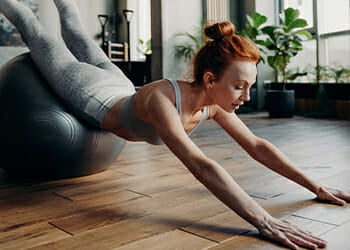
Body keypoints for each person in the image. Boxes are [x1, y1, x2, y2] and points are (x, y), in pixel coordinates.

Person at [1, 1, 349, 249]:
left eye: (251, 86)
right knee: (34, 29)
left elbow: (257, 146)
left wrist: (316, 186)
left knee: (74, 29)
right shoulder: (163, 101)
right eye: (239, 86)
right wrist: (262, 219)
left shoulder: (213, 103)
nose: (246, 95)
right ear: (210, 79)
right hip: (91, 92)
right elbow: (201, 166)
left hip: (120, 84)